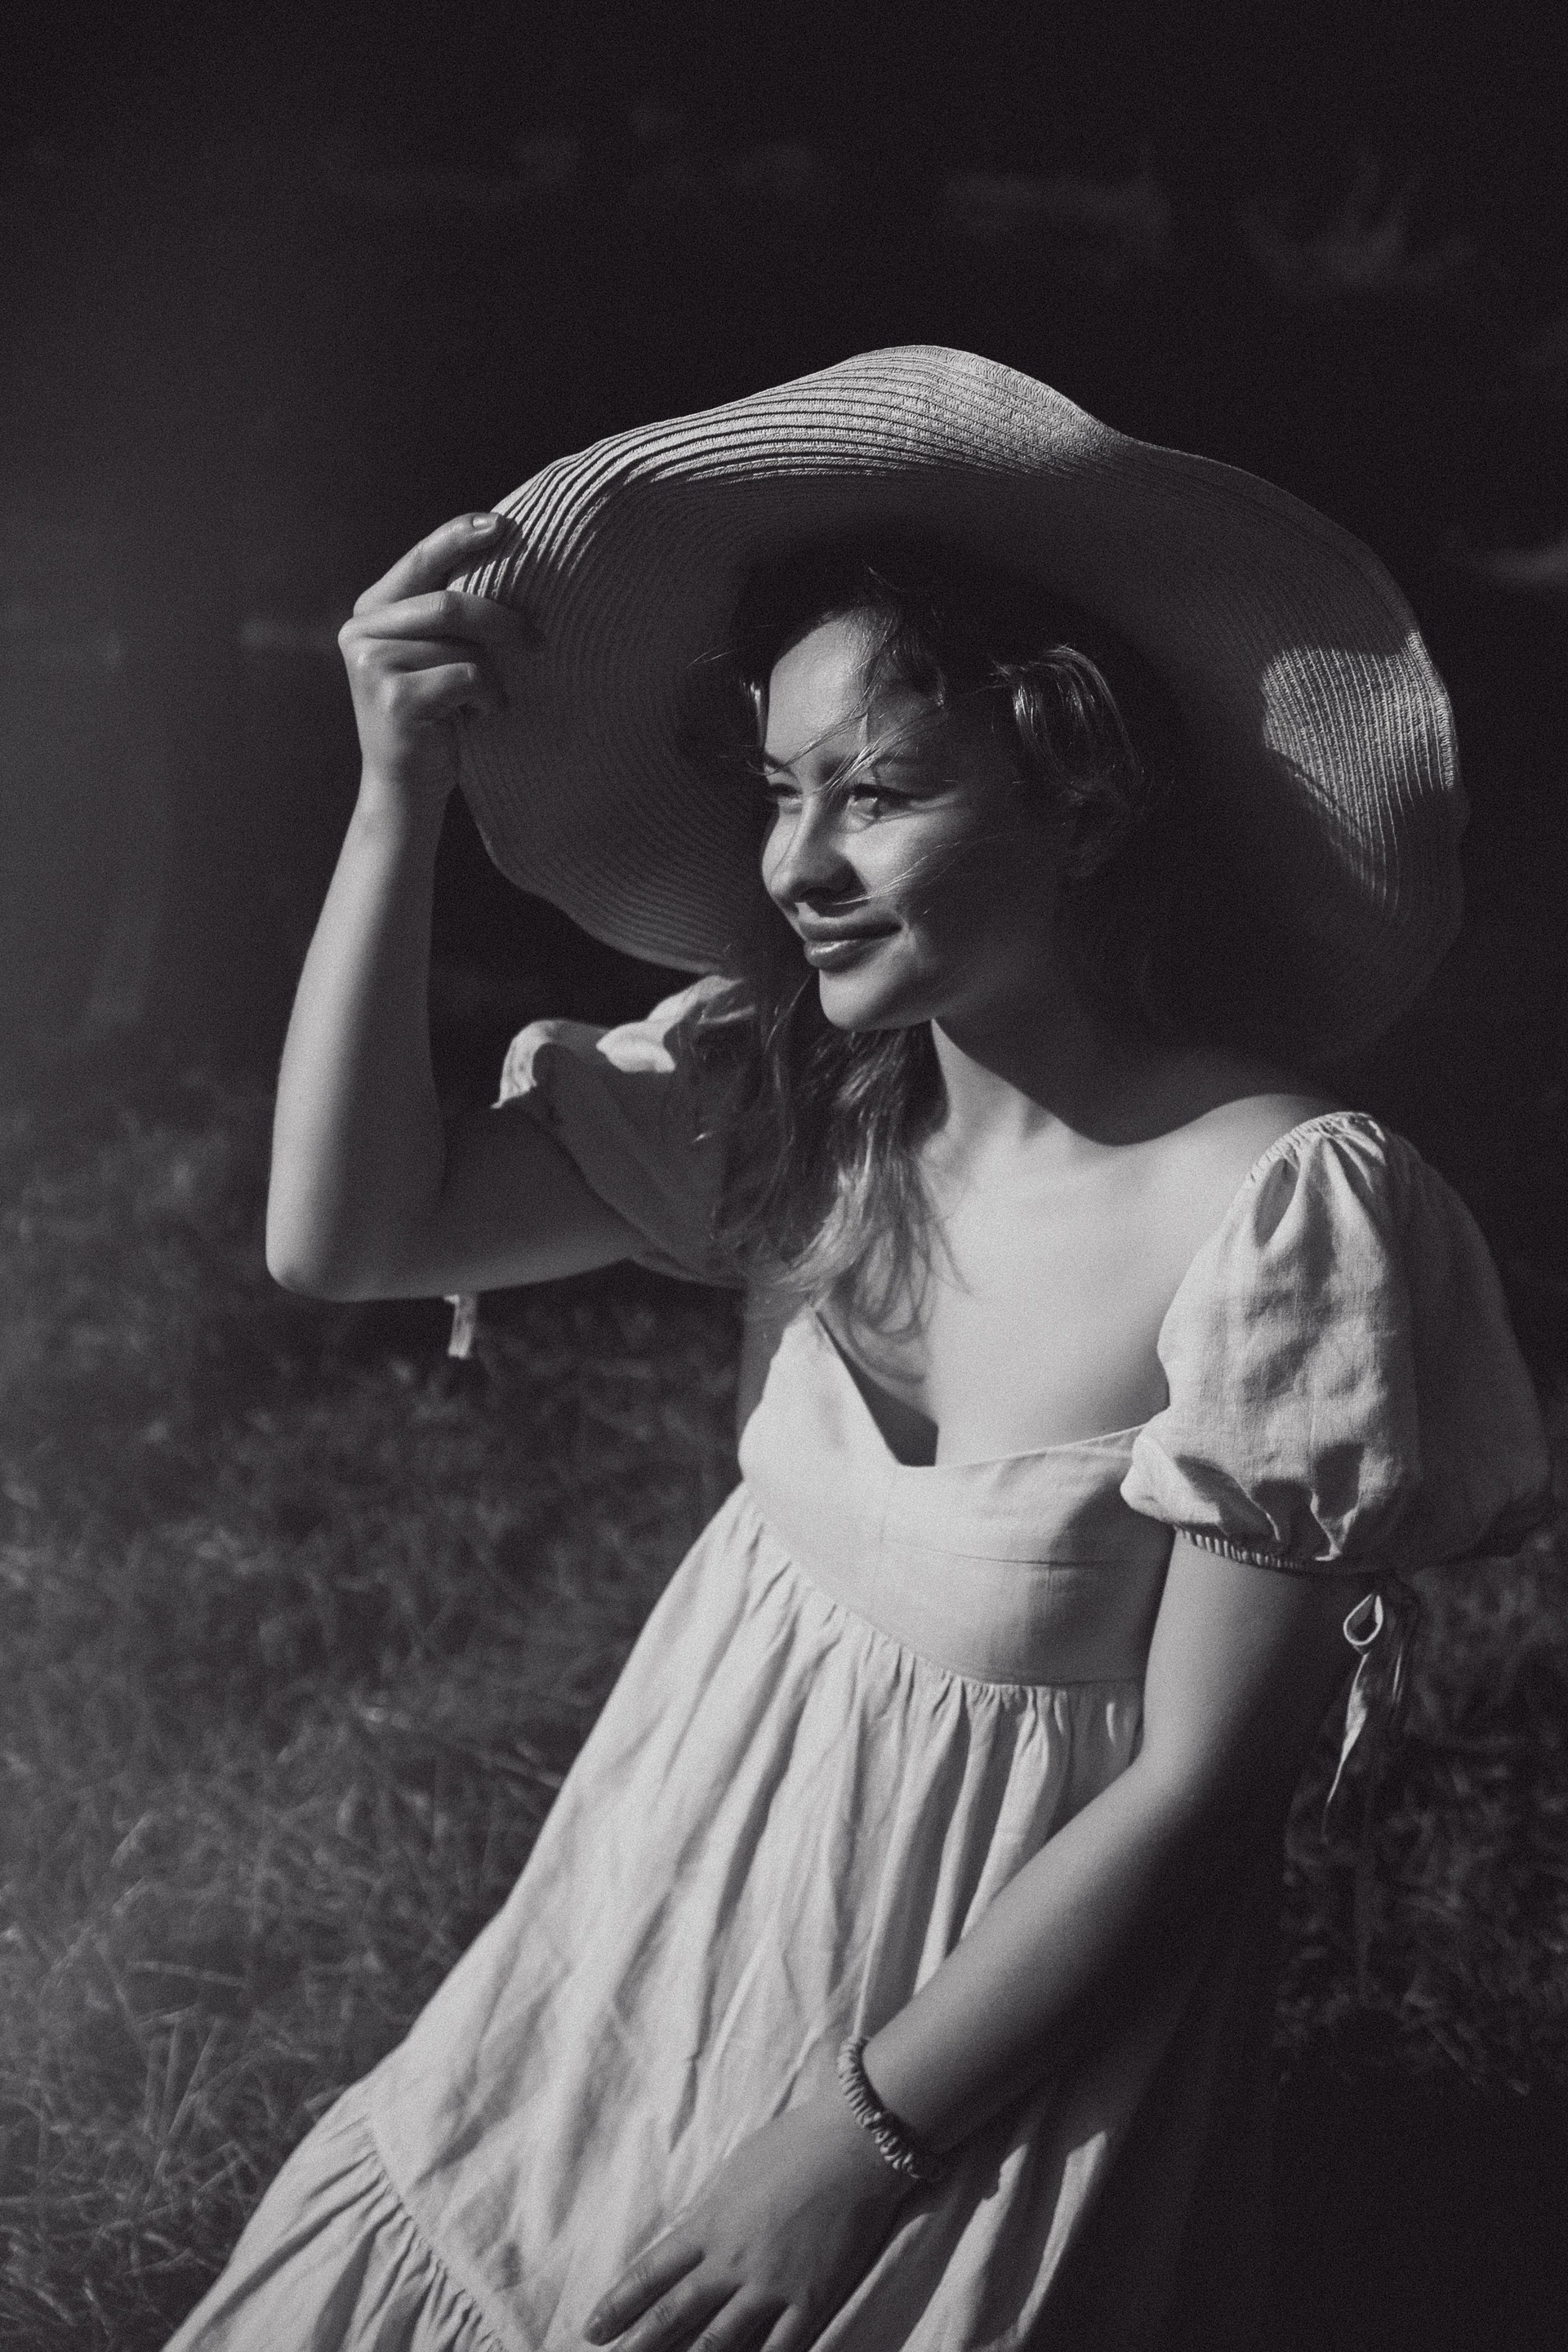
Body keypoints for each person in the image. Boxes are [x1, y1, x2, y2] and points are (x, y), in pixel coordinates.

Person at [165, 349, 1551, 2352]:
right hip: (651, 1958)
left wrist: (853, 2146)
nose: (791, 865)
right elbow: (349, 1238)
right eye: (779, 790)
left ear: (1085, 796)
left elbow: (1201, 1795)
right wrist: (398, 797)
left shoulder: (1278, 1216)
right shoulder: (812, 1105)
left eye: (877, 794)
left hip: (975, 2082)